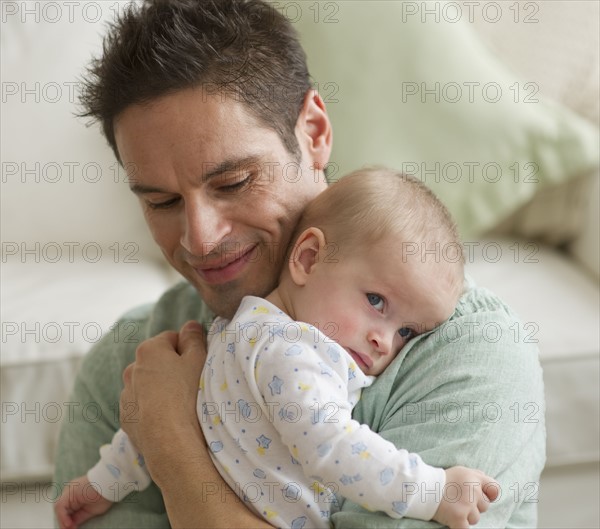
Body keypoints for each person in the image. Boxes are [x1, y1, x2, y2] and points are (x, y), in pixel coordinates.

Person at [53, 1, 545, 528]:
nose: (200, 239)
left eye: (234, 182)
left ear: (312, 133)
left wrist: (173, 448)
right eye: (162, 202)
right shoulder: (130, 361)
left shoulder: (467, 354)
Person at [55, 169, 499, 529]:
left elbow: (148, 432)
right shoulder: (297, 353)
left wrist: (102, 484)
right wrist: (432, 492)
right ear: (308, 259)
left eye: (407, 332)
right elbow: (330, 446)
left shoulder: (226, 335)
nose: (385, 340)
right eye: (376, 302)